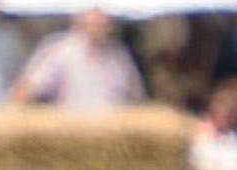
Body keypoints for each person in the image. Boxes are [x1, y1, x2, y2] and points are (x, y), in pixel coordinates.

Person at [12, 7, 145, 110]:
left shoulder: (118, 56)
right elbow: (28, 88)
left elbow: (136, 97)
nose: (98, 29)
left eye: (103, 25)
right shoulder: (61, 51)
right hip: (73, 133)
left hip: (113, 133)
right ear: (80, 24)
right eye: (92, 24)